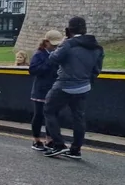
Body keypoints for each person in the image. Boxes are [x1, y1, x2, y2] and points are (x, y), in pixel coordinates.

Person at [43, 16, 104, 159]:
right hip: (84, 86)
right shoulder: (97, 47)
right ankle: (76, 150)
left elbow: (53, 59)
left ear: (68, 30)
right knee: (79, 117)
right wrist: (87, 81)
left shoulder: (68, 44)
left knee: (49, 110)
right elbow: (97, 69)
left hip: (64, 84)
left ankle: (58, 145)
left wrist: (63, 43)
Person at [28, 31, 62, 151]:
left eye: (57, 45)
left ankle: (49, 139)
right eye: (53, 44)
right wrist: (49, 62)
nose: (55, 47)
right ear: (46, 42)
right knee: (39, 115)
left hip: (54, 88)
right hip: (41, 89)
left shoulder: (58, 54)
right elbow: (33, 70)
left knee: (52, 115)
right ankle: (36, 140)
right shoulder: (39, 54)